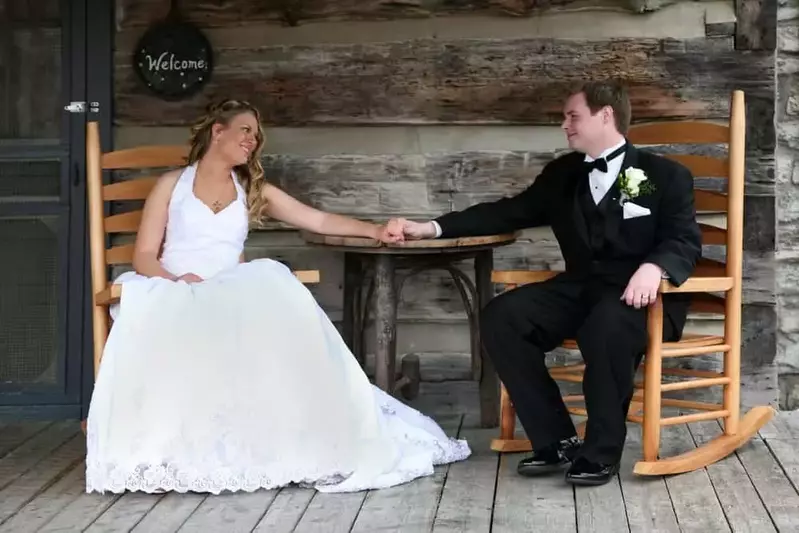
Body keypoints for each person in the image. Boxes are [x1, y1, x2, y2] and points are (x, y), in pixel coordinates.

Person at [85, 99, 470, 495]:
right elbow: (145, 254)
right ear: (218, 132)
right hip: (170, 283)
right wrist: (177, 281)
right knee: (180, 311)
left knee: (275, 287)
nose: (253, 140)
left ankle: (290, 433)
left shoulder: (252, 189)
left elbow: (316, 219)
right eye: (245, 130)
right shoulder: (172, 184)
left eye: (257, 134)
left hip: (230, 288)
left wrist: (374, 231)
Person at [389, 81, 701, 486]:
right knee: (503, 317)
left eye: (573, 116)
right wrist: (429, 228)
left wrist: (654, 268)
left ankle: (600, 452)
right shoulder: (563, 174)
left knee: (606, 324)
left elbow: (684, 239)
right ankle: (556, 440)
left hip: (639, 296)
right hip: (579, 289)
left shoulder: (665, 175)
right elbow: (507, 212)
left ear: (605, 115)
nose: (564, 125)